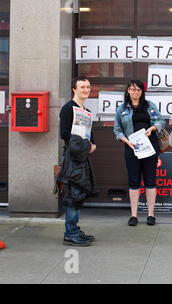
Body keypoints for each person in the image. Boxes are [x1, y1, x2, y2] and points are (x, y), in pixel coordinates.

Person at [114, 80, 165, 226]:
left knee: (150, 180)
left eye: (138, 90)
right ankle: (134, 215)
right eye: (133, 89)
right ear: (128, 91)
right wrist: (127, 141)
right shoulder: (122, 109)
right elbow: (117, 130)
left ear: (142, 92)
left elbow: (161, 121)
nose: (136, 92)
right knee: (134, 181)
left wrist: (153, 129)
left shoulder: (149, 106)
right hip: (132, 149)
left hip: (150, 149)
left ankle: (150, 215)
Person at [59, 77, 97, 246]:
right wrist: (84, 146)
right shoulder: (68, 108)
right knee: (72, 195)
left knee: (79, 193)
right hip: (72, 158)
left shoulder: (86, 110)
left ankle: (74, 229)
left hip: (83, 157)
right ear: (74, 89)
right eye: (82, 87)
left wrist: (92, 144)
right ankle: (71, 233)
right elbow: (64, 134)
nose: (85, 89)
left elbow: (89, 133)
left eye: (88, 87)